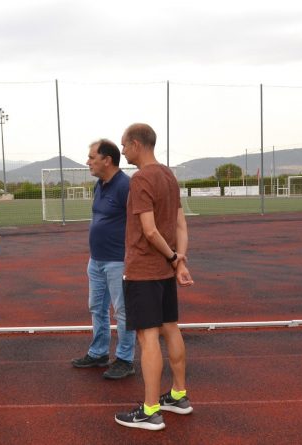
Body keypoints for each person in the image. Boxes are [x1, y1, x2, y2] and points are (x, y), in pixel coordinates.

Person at [114, 123, 194, 431]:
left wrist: (174, 258)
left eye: (124, 145)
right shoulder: (168, 176)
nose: (123, 151)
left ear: (136, 144)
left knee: (147, 337)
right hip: (163, 270)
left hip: (144, 269)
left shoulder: (141, 179)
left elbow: (149, 231)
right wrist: (179, 261)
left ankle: (150, 411)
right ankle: (178, 395)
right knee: (170, 328)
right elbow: (181, 224)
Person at [71, 139, 136, 380]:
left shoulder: (125, 186)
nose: (88, 162)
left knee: (123, 311)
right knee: (97, 307)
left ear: (107, 160)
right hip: (96, 260)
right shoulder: (100, 185)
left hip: (118, 261)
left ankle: (125, 359)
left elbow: (138, 223)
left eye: (92, 157)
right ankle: (98, 353)